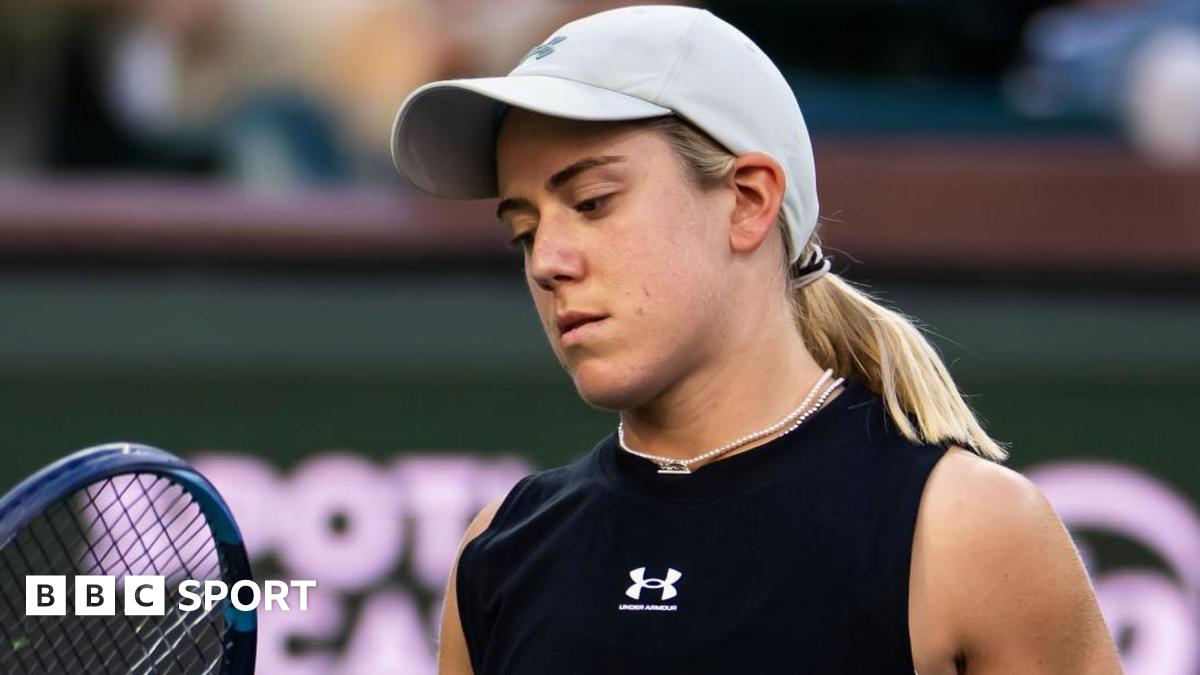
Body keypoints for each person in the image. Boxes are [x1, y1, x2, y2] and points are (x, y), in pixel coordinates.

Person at [390, 6, 1122, 674]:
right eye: (525, 230)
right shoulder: (501, 549)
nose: (548, 261)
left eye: (592, 202)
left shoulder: (967, 529)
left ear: (747, 201)